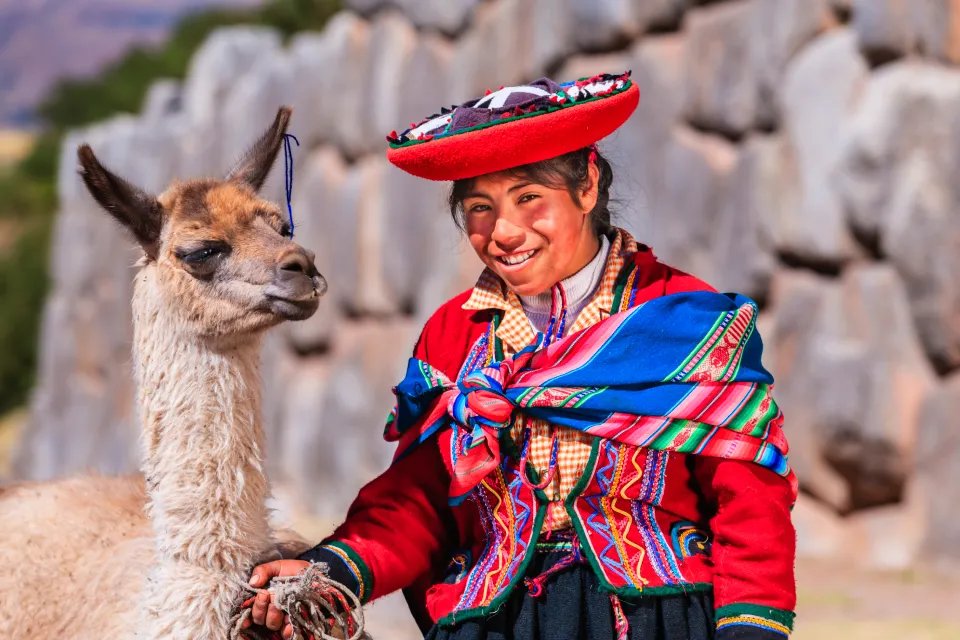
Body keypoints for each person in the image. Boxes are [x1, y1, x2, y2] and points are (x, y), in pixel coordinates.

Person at [243, 71, 797, 640]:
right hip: (495, 623)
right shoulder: (455, 335)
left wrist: (752, 627)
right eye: (480, 208)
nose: (504, 231)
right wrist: (333, 570)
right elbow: (422, 497)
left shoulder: (685, 320)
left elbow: (750, 500)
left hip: (657, 620)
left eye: (529, 198)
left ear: (585, 186)